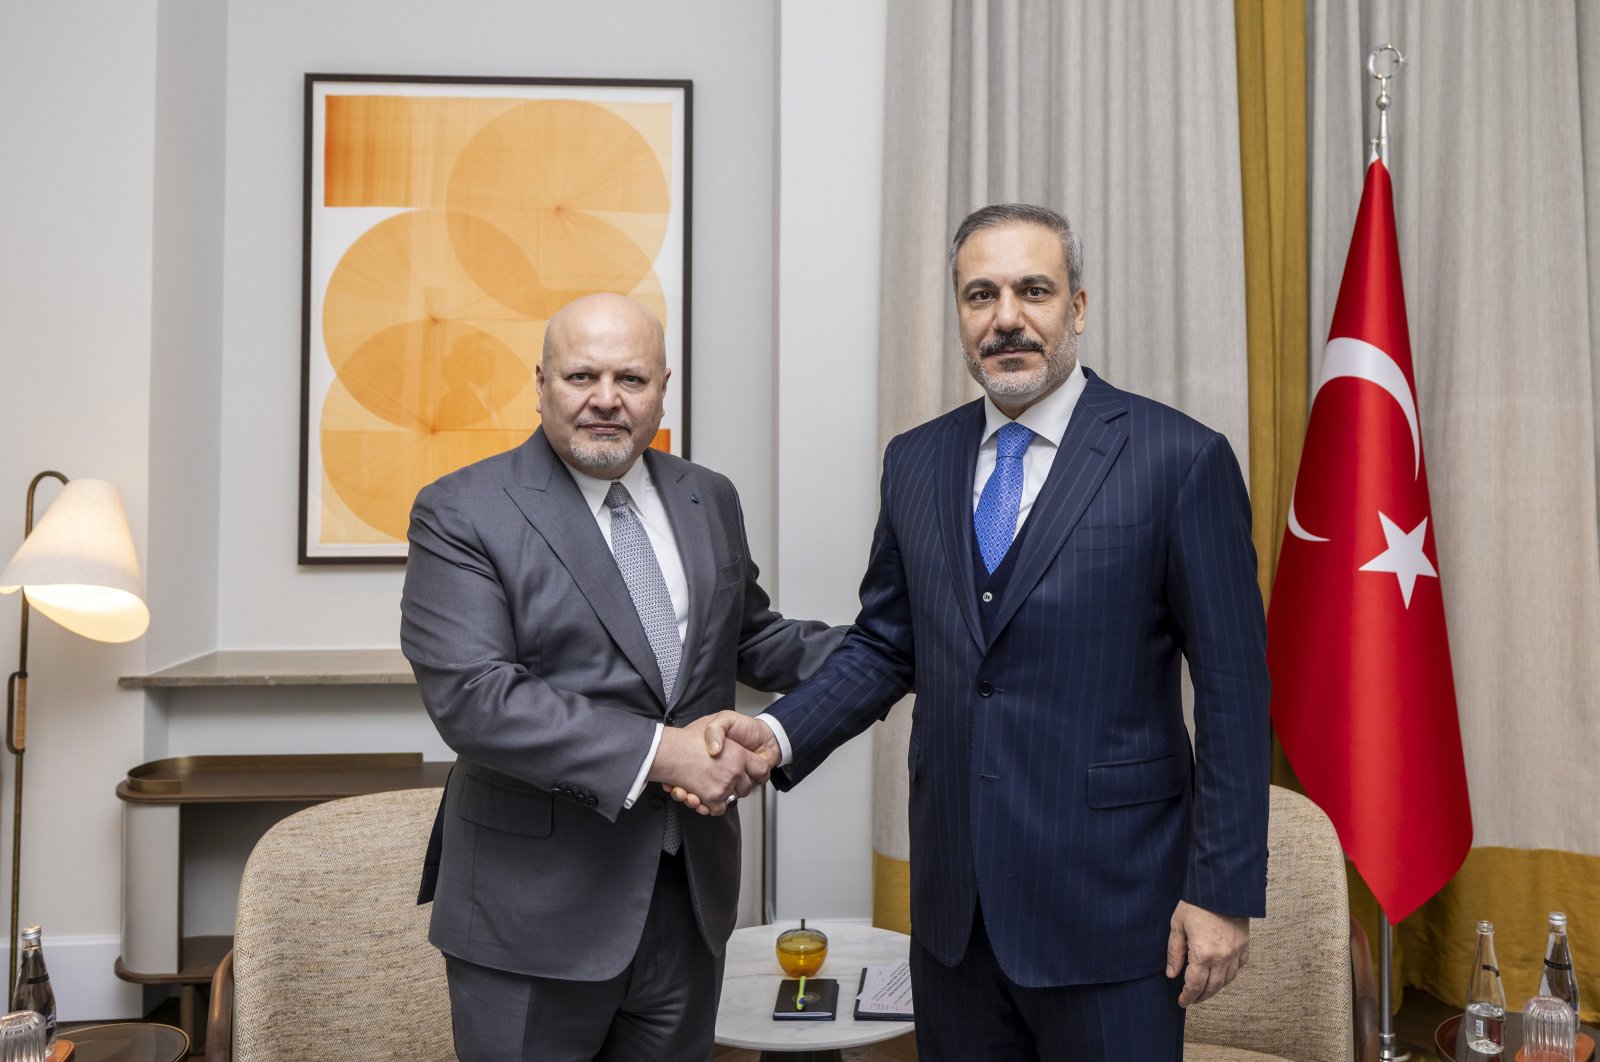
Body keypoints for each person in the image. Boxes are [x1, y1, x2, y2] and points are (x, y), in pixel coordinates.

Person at [688, 204, 1270, 1060]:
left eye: (1033, 291)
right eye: (980, 295)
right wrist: (774, 736)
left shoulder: (1177, 459)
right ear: (959, 313)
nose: (1006, 318)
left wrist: (1220, 893)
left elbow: (1233, 692)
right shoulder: (917, 459)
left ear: (1077, 306)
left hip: (1114, 912)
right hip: (956, 919)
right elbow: (889, 644)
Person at [401, 292, 842, 1061]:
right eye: (581, 376)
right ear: (540, 382)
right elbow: (475, 698)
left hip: (686, 900)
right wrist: (669, 753)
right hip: (531, 913)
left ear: (663, 387)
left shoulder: (709, 496)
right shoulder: (462, 511)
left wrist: (901, 650)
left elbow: (751, 639)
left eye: (631, 379)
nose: (606, 400)